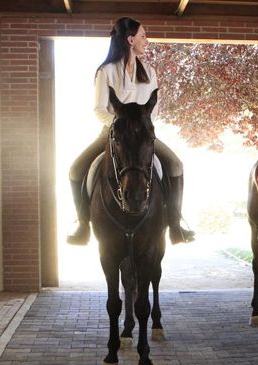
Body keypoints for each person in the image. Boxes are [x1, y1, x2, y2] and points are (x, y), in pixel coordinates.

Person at [67, 17, 195, 246]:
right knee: (75, 170)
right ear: (130, 39)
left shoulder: (150, 72)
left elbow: (154, 110)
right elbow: (98, 109)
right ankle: (83, 225)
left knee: (176, 165)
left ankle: (175, 224)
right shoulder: (106, 72)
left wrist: (143, 126)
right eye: (143, 36)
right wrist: (121, 123)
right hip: (113, 134)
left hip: (144, 136)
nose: (147, 41)